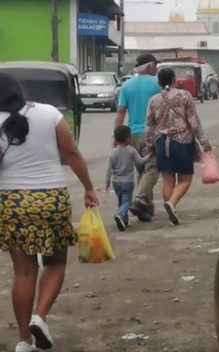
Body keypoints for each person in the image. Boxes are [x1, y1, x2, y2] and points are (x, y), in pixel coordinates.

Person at [0, 73, 99, 352]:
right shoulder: (49, 113)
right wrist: (88, 188)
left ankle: (23, 340)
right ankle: (39, 317)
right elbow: (72, 153)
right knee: (55, 263)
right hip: (52, 199)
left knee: (23, 271)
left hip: (13, 202)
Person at [145, 67, 212, 226]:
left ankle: (171, 213)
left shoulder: (154, 100)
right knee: (185, 179)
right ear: (174, 80)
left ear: (159, 82)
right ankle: (172, 203)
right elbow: (194, 123)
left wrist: (150, 146)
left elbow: (149, 126)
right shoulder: (185, 96)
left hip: (162, 143)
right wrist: (205, 144)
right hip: (182, 142)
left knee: (167, 180)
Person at [114, 53, 162, 222]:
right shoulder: (157, 84)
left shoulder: (127, 86)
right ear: (149, 66)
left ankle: (145, 207)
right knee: (153, 169)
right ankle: (140, 199)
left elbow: (121, 112)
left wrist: (116, 135)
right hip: (152, 133)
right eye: (155, 65)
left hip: (132, 134)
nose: (156, 69)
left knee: (141, 170)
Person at [104, 125, 148, 231]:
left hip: (116, 182)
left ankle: (124, 221)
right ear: (128, 139)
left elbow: (108, 169)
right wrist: (150, 155)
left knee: (121, 200)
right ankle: (120, 214)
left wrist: (107, 182)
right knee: (127, 201)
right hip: (128, 181)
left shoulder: (112, 153)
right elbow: (140, 162)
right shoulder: (131, 151)